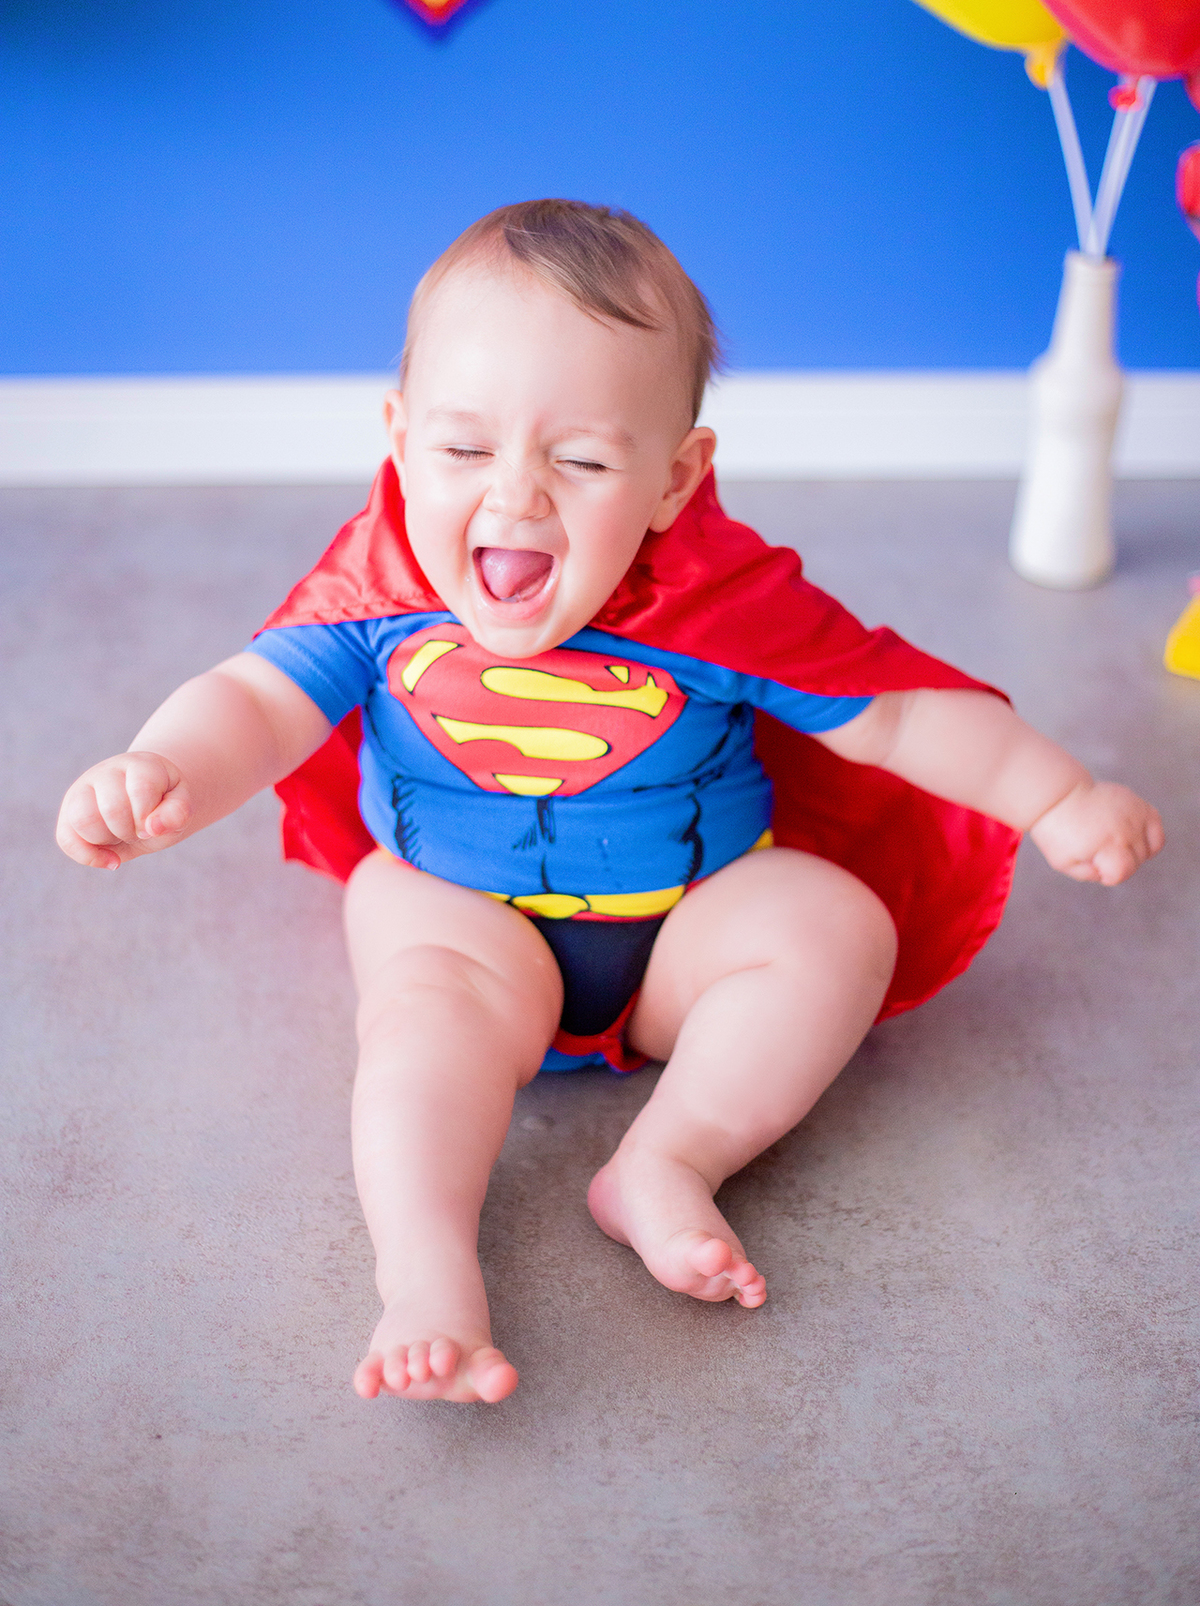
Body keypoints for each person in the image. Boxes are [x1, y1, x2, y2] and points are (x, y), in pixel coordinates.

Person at [56, 201, 1164, 1406]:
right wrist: (164, 768)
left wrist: (1056, 793)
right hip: (467, 919)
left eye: (579, 460)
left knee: (831, 923)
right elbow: (258, 701)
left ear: (676, 478)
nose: (516, 497)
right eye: (463, 450)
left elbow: (891, 709)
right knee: (418, 1009)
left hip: (688, 932)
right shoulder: (375, 594)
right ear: (397, 437)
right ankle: (425, 1276)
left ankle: (668, 1160)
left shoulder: (718, 604)